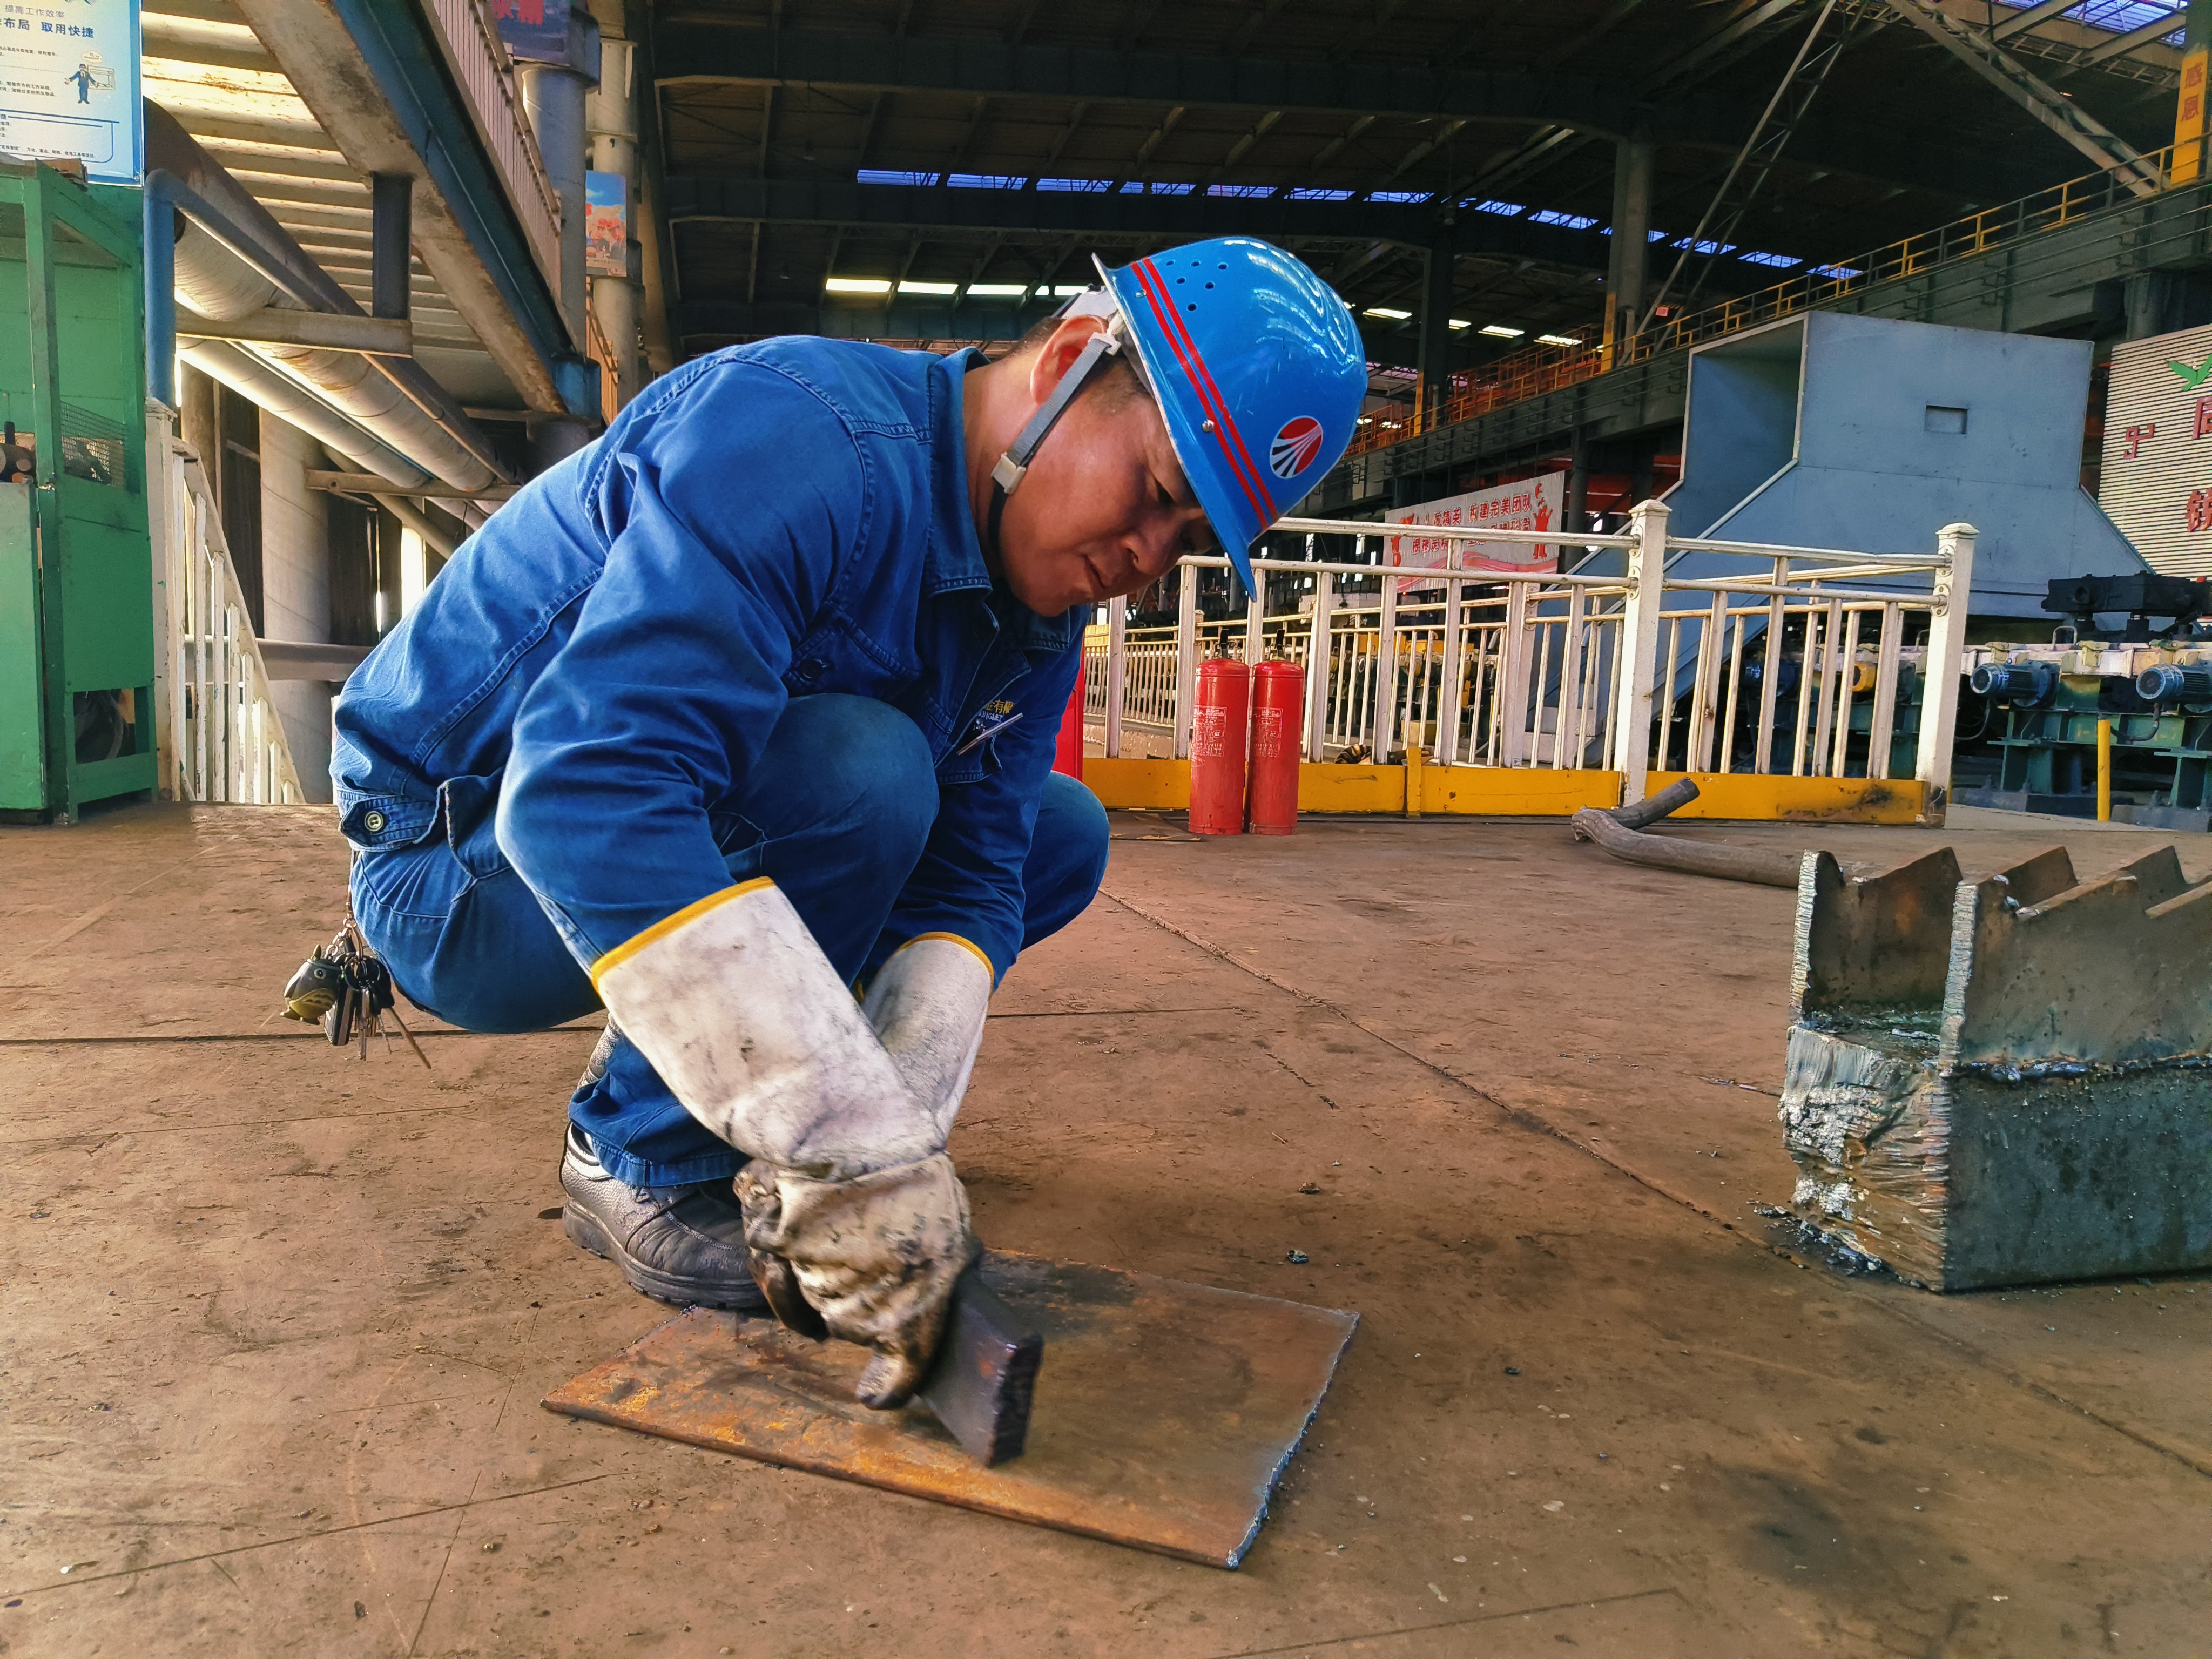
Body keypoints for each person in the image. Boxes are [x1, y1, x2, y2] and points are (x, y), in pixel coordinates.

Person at [332, 236, 1366, 1406]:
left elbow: (973, 879)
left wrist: (887, 1152)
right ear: (1071, 362)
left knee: (1053, 833)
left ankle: (779, 1152)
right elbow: (589, 791)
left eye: (1183, 547)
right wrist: (834, 1139)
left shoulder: (1031, 613)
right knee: (865, 773)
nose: (1141, 565)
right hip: (452, 863)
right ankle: (636, 1156)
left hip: (610, 832)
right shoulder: (800, 437)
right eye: (1158, 497)